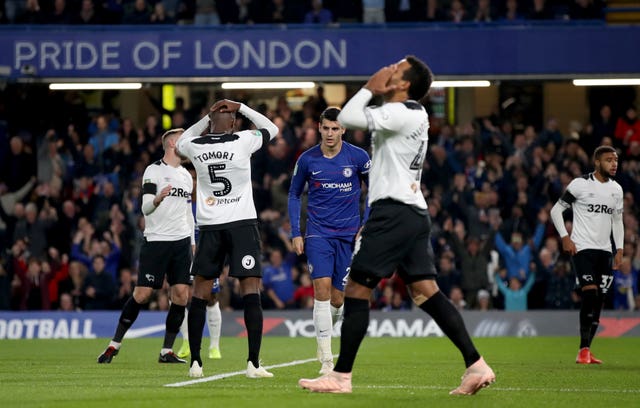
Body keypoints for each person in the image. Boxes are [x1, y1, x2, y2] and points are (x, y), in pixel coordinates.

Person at [298, 56, 495, 395]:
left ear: (404, 84)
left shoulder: (403, 112)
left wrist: (369, 87)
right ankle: (476, 365)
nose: (388, 71)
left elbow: (347, 117)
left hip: (392, 213)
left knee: (357, 290)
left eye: (396, 70)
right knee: (426, 293)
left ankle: (340, 376)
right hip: (414, 214)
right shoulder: (414, 115)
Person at [176, 98, 279, 379]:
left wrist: (206, 118)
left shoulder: (195, 146)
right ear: (233, 123)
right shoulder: (243, 140)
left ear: (209, 126)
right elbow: (272, 128)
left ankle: (196, 362)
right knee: (250, 291)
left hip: (210, 227)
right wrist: (242, 107)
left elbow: (181, 140)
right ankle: (253, 364)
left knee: (200, 292)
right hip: (241, 226)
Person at [97, 128, 195, 364]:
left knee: (181, 295)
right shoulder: (153, 171)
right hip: (157, 240)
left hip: (181, 242)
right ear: (172, 143)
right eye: (184, 139)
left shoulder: (185, 175)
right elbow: (145, 207)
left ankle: (166, 351)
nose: (188, 143)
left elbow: (188, 213)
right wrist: (158, 199)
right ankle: (114, 344)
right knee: (142, 294)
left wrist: (192, 241)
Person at [288, 106, 370, 374]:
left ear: (343, 129)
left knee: (338, 299)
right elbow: (293, 194)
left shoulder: (358, 157)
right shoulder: (308, 159)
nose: (331, 133)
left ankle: (325, 334)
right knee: (321, 291)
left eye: (336, 128)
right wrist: (295, 232)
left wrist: (367, 223)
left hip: (349, 235)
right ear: (319, 128)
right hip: (318, 233)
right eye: (326, 128)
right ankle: (325, 358)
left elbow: (375, 189)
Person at [550, 145, 624, 364]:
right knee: (590, 294)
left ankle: (586, 350)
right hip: (582, 248)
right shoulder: (580, 184)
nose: (614, 164)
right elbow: (556, 210)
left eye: (616, 160)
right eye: (609, 160)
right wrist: (565, 236)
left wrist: (619, 249)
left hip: (604, 251)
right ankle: (583, 350)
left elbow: (617, 221)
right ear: (597, 162)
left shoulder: (616, 190)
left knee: (599, 301)